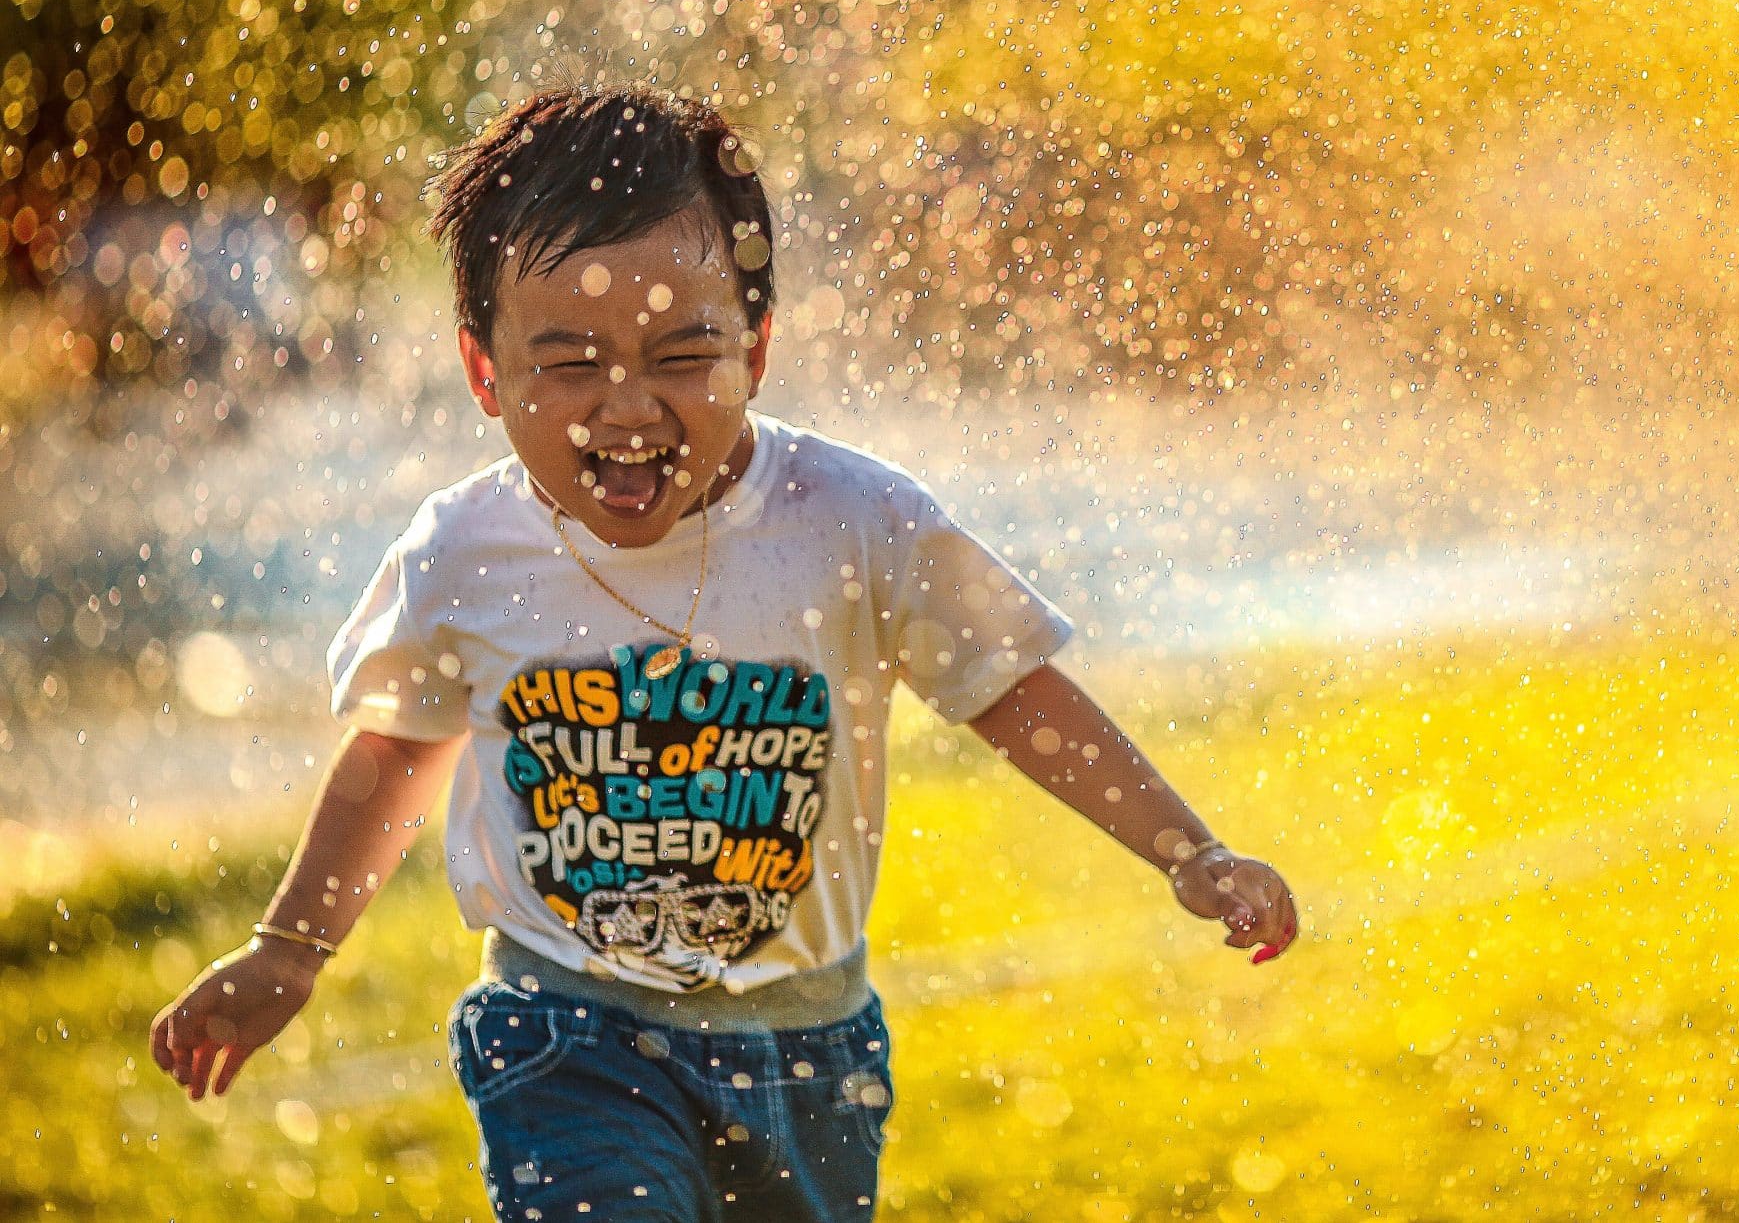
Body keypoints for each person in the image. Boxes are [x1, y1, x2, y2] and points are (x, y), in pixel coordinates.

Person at [148, 82, 1298, 1221]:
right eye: (571, 363)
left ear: (755, 348)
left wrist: (1186, 851)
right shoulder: (465, 552)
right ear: (484, 373)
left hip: (808, 1050)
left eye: (681, 354)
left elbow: (1013, 692)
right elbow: (396, 752)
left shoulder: (854, 521)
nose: (628, 407)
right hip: (567, 1031)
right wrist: (291, 947)